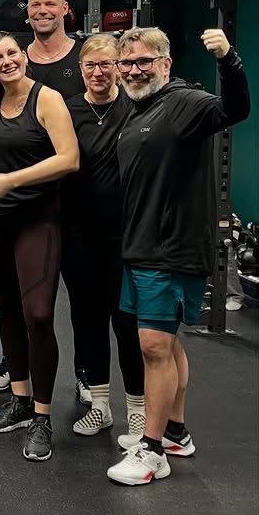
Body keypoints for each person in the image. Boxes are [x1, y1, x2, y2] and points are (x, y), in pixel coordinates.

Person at [107, 26, 250, 487]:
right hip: (141, 245)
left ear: (165, 64)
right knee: (166, 342)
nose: (134, 70)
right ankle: (174, 433)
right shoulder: (137, 108)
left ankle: (151, 452)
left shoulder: (183, 102)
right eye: (127, 63)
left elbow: (235, 109)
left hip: (169, 249)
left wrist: (229, 60)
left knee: (153, 346)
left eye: (144, 61)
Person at [0, 32, 79, 463]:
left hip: (37, 220)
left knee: (38, 314)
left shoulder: (46, 99)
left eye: (11, 53)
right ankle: (19, 399)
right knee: (7, 309)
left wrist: (8, 181)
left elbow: (69, 158)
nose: (6, 61)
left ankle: (42, 416)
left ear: (23, 57)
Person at [61, 35, 145, 439]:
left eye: (106, 64)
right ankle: (100, 406)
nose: (98, 73)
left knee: (126, 323)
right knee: (87, 321)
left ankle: (138, 412)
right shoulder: (68, 109)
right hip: (78, 235)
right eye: (90, 65)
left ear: (118, 67)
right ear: (81, 70)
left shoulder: (135, 107)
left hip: (125, 236)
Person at [23, 0, 82, 95]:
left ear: (65, 8)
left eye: (50, 4)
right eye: (36, 5)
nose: (42, 11)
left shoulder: (85, 58)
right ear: (28, 10)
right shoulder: (17, 63)